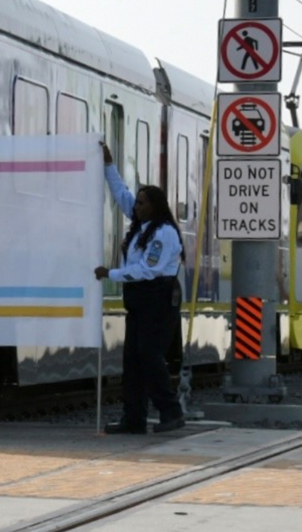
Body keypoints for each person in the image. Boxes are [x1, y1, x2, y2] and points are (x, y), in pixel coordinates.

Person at [95, 141, 186, 435]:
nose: (136, 206)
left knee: (149, 354)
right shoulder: (141, 227)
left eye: (143, 203)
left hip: (159, 298)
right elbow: (121, 195)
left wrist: (112, 273)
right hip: (139, 301)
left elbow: (149, 269)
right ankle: (133, 418)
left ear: (155, 206)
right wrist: (108, 165)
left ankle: (171, 411)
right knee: (132, 359)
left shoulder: (164, 234)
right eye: (137, 203)